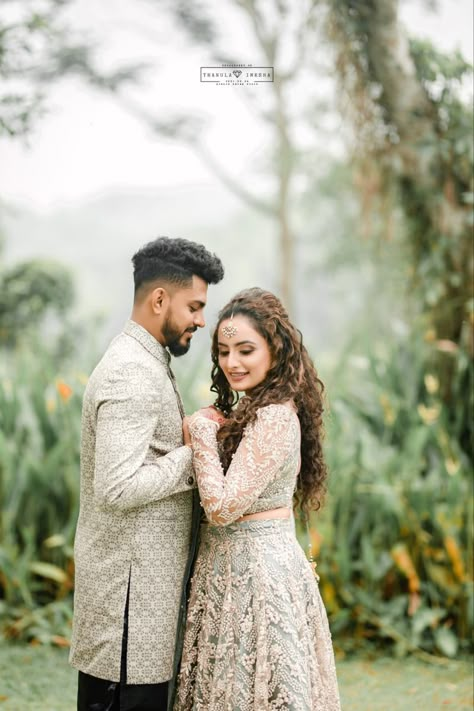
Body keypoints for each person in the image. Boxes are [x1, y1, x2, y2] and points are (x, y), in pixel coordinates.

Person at [69, 237, 224, 711]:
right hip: (126, 612)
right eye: (195, 306)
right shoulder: (131, 372)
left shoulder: (146, 360)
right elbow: (117, 487)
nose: (201, 320)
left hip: (140, 608)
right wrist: (197, 448)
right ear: (160, 299)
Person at [174, 287, 341, 711]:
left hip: (257, 576)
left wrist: (203, 434)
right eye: (224, 351)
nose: (232, 363)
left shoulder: (273, 416)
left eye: (246, 350)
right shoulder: (256, 409)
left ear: (275, 349)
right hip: (229, 571)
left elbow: (223, 507)